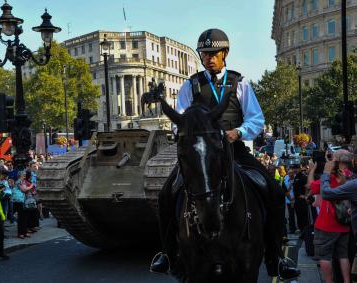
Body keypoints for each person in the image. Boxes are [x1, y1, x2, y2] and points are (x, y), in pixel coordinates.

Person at [149, 28, 300, 279]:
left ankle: (276, 257)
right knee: (167, 194)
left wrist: (238, 132)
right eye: (204, 53)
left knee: (272, 190)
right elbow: (179, 118)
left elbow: (256, 119)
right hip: (201, 155)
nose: (208, 57)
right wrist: (186, 132)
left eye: (213, 53)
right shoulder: (191, 84)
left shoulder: (240, 83)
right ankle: (168, 253)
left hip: (234, 149)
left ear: (225, 53)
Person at [308, 155, 351, 283]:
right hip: (343, 223)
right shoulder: (346, 177)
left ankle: (328, 281)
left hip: (326, 224)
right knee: (343, 255)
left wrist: (312, 170)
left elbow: (311, 186)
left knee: (324, 257)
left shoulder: (329, 179)